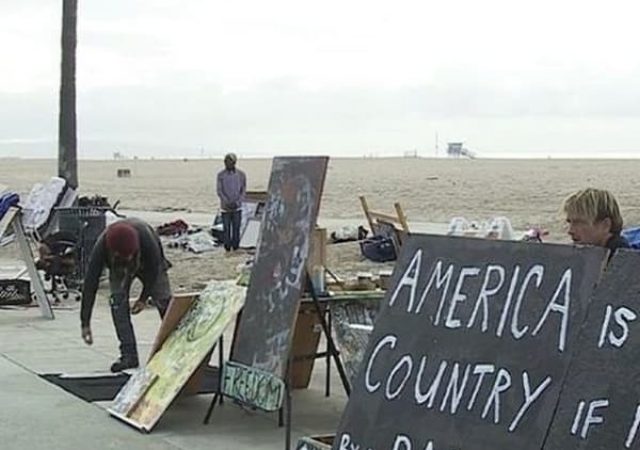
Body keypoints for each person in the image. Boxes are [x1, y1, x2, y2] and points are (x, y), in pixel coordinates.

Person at [80, 218, 173, 372]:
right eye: (123, 258)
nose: (128, 261)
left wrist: (143, 298)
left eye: (130, 257)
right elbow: (90, 284)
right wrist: (85, 323)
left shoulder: (147, 239)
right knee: (117, 304)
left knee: (165, 303)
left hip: (150, 263)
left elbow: (154, 271)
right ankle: (129, 355)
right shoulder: (101, 247)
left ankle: (175, 350)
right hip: (117, 265)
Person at [562, 188, 629, 257]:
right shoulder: (590, 252)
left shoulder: (623, 259)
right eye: (570, 222)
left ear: (605, 225)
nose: (570, 231)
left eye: (579, 223)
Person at [216, 153, 246, 252]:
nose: (227, 163)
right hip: (225, 207)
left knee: (236, 229)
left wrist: (237, 202)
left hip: (237, 207)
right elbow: (219, 191)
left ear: (234, 162)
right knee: (227, 229)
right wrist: (227, 202)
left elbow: (243, 190)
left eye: (229, 161)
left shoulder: (241, 175)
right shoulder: (221, 175)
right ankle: (227, 248)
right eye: (226, 161)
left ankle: (236, 247)